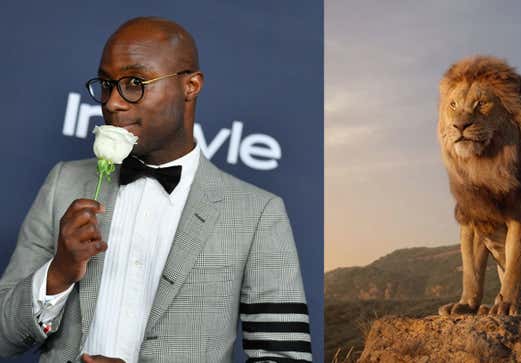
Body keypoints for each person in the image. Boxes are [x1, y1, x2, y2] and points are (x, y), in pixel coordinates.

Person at [0, 17, 311, 363]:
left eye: (135, 82)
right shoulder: (63, 183)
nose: (113, 103)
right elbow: (2, 338)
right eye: (106, 84)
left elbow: (285, 357)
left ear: (190, 86)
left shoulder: (257, 214)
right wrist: (57, 273)